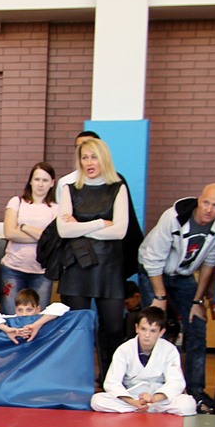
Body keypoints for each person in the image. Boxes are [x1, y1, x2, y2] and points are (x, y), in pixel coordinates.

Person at [139, 184, 215, 398]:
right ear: (199, 199)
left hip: (183, 274)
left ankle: (196, 390)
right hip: (152, 270)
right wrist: (160, 297)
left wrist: (198, 301)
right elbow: (153, 260)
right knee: (153, 325)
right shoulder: (172, 218)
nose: (209, 209)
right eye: (206, 203)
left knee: (197, 326)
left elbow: (210, 262)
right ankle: (147, 385)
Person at [56, 136, 130, 372]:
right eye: (84, 157)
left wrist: (80, 226)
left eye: (94, 157)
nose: (89, 162)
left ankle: (110, 378)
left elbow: (119, 231)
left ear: (103, 159)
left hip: (109, 268)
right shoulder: (69, 189)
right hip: (77, 266)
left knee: (113, 327)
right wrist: (100, 223)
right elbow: (64, 230)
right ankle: (77, 377)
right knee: (78, 328)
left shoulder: (118, 188)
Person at [90, 307, 198, 416]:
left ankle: (145, 408)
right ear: (137, 328)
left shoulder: (169, 350)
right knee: (97, 400)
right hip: (132, 396)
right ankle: (141, 408)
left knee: (187, 404)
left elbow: (176, 382)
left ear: (161, 332)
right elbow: (112, 382)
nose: (147, 335)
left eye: (153, 331)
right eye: (143, 329)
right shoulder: (124, 349)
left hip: (158, 398)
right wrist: (133, 402)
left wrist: (154, 398)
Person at [0, 162, 57, 314]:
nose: (40, 184)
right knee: (11, 316)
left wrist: (25, 227)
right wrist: (43, 236)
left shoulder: (56, 208)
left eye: (45, 180)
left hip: (42, 272)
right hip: (12, 269)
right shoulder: (16, 202)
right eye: (37, 179)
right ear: (30, 181)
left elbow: (54, 240)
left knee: (37, 318)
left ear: (52, 183)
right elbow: (9, 233)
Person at [0, 289, 70, 342]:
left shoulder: (43, 316)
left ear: (38, 309)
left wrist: (36, 325)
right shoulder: (11, 320)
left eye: (29, 310)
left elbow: (61, 307)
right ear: (15, 309)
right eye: (20, 310)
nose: (24, 314)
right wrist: (6, 329)